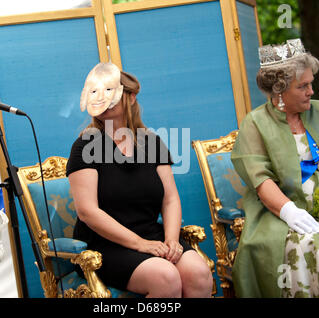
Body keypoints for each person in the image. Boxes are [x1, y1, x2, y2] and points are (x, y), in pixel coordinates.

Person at [67, 62, 213, 297]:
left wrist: (172, 240)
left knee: (199, 272)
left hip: (151, 234)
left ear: (130, 97)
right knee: (165, 277)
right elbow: (87, 211)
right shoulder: (85, 145)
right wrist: (138, 243)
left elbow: (170, 199)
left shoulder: (152, 142)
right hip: (105, 245)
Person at [231, 38, 319, 298]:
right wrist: (290, 212)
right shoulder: (255, 123)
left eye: (311, 83)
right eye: (303, 86)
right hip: (280, 209)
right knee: (309, 242)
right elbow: (261, 180)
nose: (311, 91)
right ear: (279, 90)